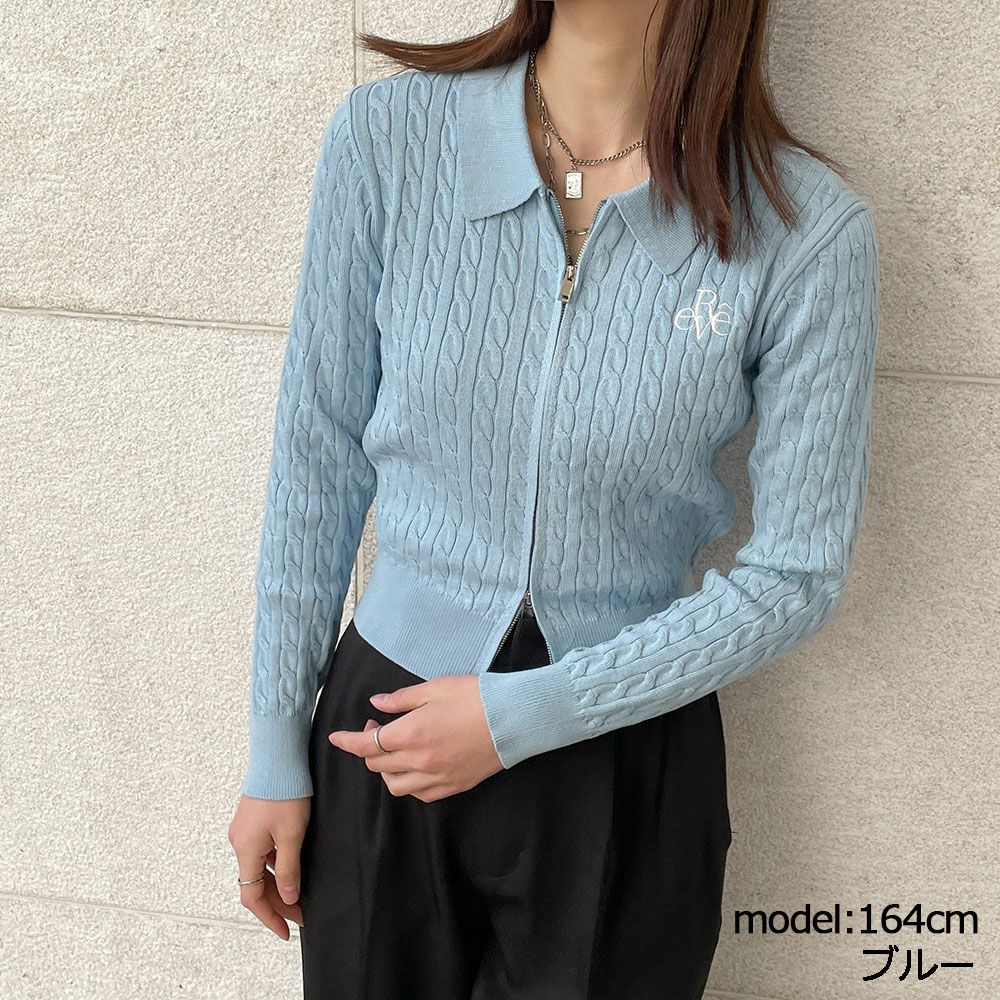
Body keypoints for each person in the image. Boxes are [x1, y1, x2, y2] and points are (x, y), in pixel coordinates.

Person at [227, 2, 880, 998]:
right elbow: (315, 458)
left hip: (624, 750)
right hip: (384, 736)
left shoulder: (804, 228)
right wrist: (276, 749)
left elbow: (796, 574)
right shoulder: (388, 139)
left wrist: (526, 712)